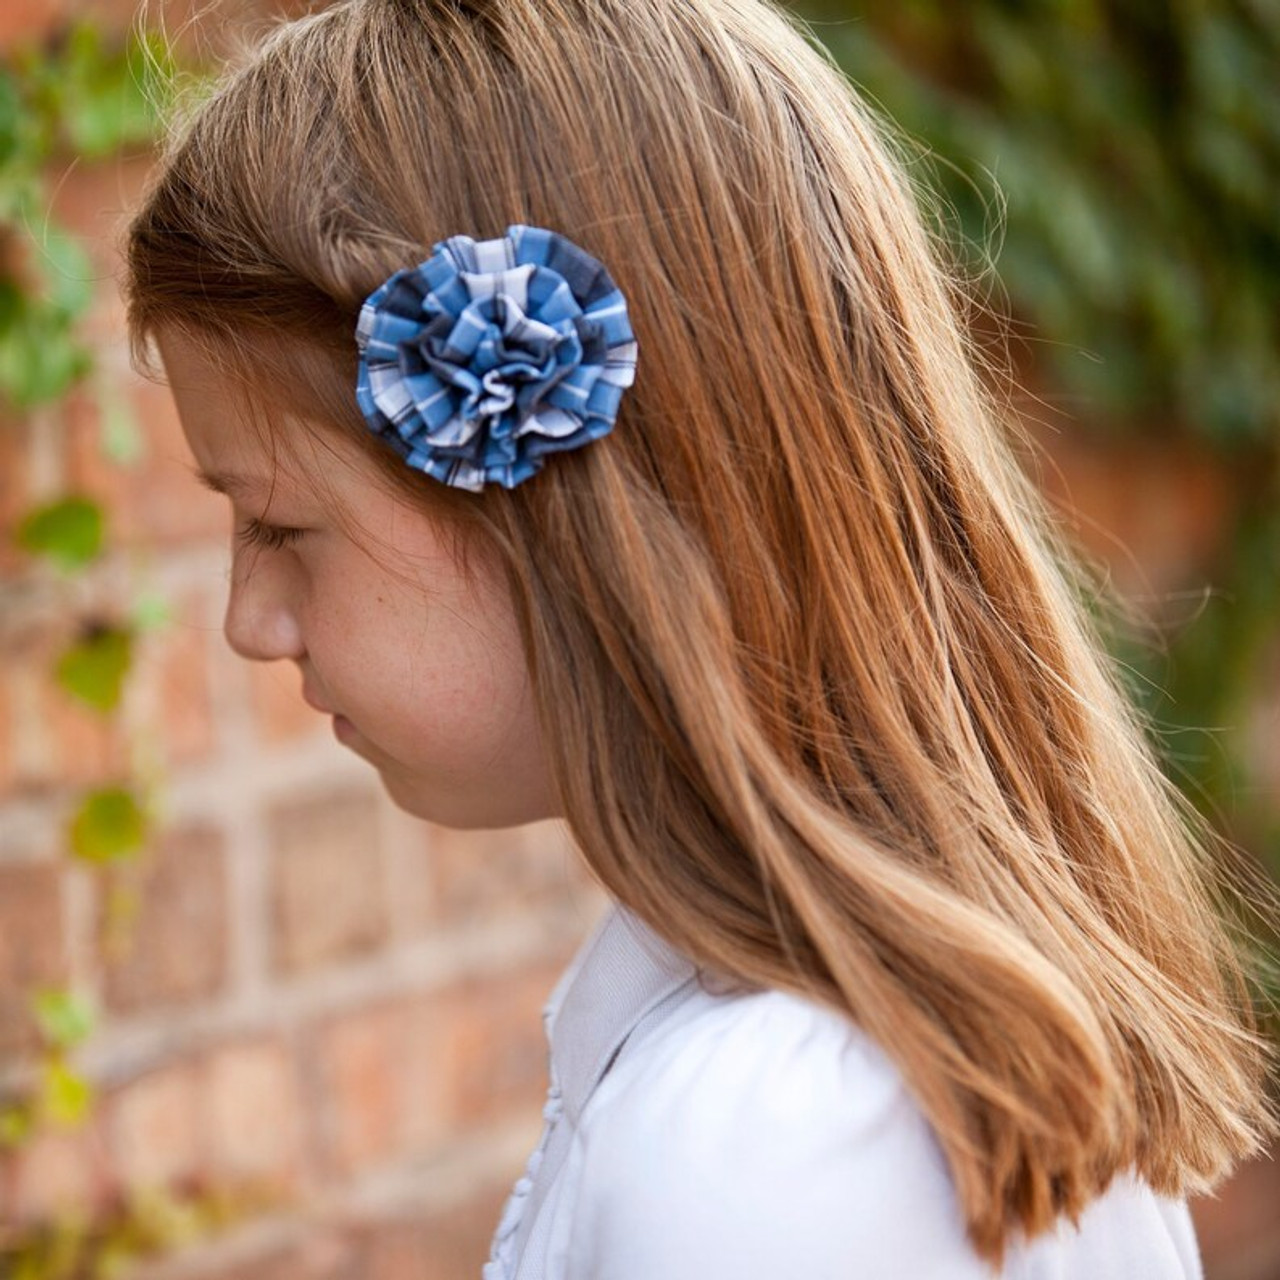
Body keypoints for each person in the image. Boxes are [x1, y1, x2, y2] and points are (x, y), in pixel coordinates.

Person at [121, 0, 1278, 1275]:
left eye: (278, 525)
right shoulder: (762, 1063)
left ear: (550, 492)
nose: (247, 624)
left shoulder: (774, 1149)